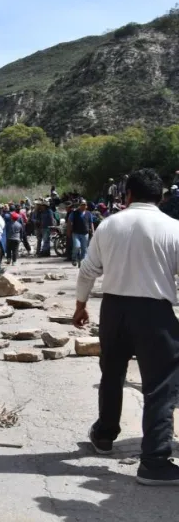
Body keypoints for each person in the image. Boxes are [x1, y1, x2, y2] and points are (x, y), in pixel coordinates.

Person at [75, 169, 179, 485]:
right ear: (161, 197)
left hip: (114, 309)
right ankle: (154, 462)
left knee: (112, 372)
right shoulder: (173, 228)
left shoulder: (109, 225)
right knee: (160, 385)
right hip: (155, 312)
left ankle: (105, 434)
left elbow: (88, 269)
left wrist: (80, 305)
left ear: (127, 195)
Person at [67, 200, 94, 266]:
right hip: (76, 233)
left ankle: (82, 262)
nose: (83, 206)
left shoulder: (89, 214)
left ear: (86, 206)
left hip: (85, 233)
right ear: (79, 205)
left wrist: (93, 231)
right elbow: (69, 222)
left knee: (84, 249)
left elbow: (91, 223)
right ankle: (74, 258)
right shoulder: (74, 213)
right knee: (77, 246)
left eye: (84, 205)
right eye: (82, 204)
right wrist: (68, 231)